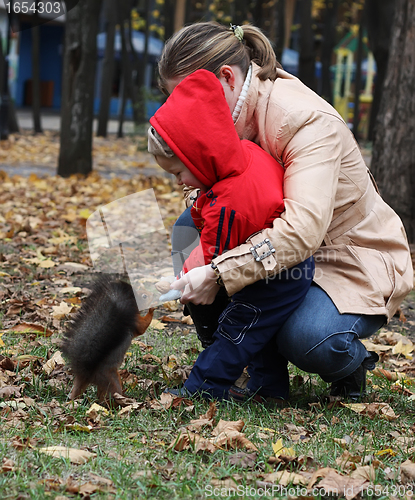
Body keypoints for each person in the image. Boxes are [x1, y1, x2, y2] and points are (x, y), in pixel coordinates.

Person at [157, 22, 413, 401]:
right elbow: (209, 198)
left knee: (307, 338)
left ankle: (350, 363)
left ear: (227, 78)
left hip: (345, 255)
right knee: (186, 230)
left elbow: (301, 232)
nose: (179, 112)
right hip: (281, 250)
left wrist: (217, 273)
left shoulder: (304, 121)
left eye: (185, 97)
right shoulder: (224, 119)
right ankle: (232, 356)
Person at [148, 69, 314, 401]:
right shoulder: (239, 157)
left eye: (179, 171)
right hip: (271, 262)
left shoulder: (229, 202)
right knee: (257, 330)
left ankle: (203, 388)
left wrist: (180, 281)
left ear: (201, 155)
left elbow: (212, 258)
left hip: (277, 274)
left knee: (237, 329)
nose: (179, 181)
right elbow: (210, 241)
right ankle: (269, 389)